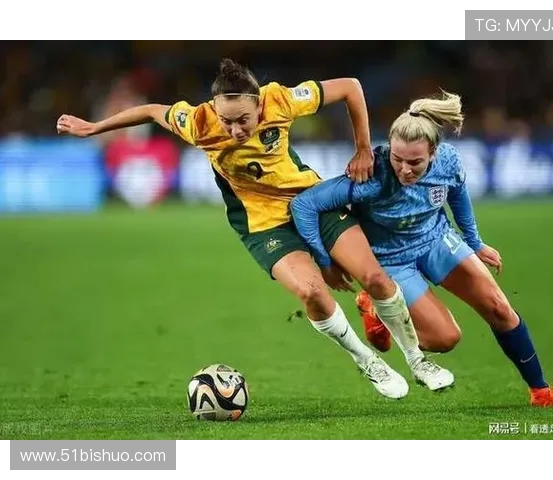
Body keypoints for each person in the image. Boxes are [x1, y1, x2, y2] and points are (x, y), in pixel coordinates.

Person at [56, 58, 453, 399]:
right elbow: (149, 110)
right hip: (262, 224)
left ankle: (418, 360)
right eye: (226, 121)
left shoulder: (280, 99)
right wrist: (95, 128)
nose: (235, 130)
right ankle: (367, 361)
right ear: (214, 109)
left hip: (314, 203)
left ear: (259, 104)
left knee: (375, 278)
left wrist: (363, 147)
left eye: (243, 120)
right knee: (311, 291)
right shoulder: (197, 121)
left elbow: (350, 87)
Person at [289, 90, 553, 408]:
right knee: (445, 339)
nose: (404, 169)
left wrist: (474, 242)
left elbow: (458, 193)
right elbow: (304, 205)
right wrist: (324, 261)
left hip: (437, 240)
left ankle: (540, 392)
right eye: (397, 159)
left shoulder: (448, 160)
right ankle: (379, 306)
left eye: (415, 162)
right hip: (392, 261)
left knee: (499, 308)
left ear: (433, 153)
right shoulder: (371, 175)